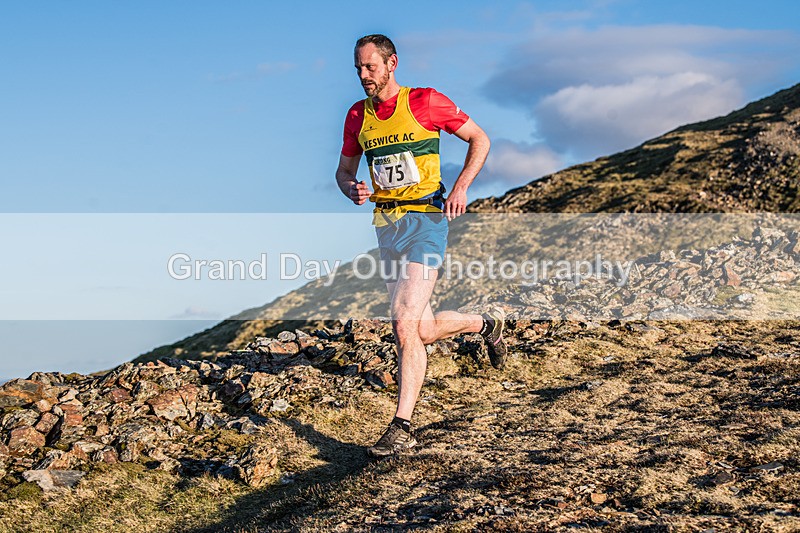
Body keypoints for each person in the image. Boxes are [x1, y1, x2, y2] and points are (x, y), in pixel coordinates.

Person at [335, 34, 507, 458]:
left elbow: (480, 138)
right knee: (423, 329)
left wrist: (461, 187)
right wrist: (351, 188)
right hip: (387, 227)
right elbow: (342, 171)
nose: (363, 75)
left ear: (391, 63)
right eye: (358, 68)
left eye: (370, 67)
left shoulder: (425, 101)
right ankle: (486, 324)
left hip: (427, 222)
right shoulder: (357, 115)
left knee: (403, 321)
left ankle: (402, 428)